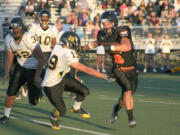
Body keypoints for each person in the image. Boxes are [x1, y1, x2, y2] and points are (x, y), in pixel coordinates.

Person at [41, 31, 112, 130]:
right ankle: (53, 117)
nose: (76, 47)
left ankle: (76, 108)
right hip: (50, 85)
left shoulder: (58, 47)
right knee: (61, 111)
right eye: (74, 45)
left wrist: (98, 43)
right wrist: (105, 76)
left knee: (84, 91)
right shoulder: (67, 53)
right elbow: (87, 69)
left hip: (61, 78)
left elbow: (81, 49)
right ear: (69, 43)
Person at [83, 11, 138, 128]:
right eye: (104, 23)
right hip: (117, 69)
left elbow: (127, 46)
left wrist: (112, 46)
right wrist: (83, 48)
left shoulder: (122, 30)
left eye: (109, 23)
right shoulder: (102, 34)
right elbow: (96, 43)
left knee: (127, 93)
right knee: (127, 91)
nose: (106, 26)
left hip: (132, 68)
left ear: (114, 22)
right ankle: (131, 118)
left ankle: (116, 109)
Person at [0, 17, 45, 124]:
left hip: (34, 68)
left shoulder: (29, 38)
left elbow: (41, 58)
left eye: (17, 29)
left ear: (22, 29)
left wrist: (38, 76)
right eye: (13, 29)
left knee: (33, 101)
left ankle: (38, 90)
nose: (14, 31)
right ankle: (6, 115)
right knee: (11, 91)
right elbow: (10, 56)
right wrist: (7, 72)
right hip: (21, 67)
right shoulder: (9, 39)